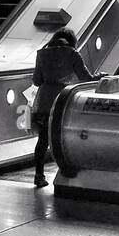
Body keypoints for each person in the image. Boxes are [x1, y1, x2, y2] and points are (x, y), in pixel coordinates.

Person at [31, 28, 94, 188]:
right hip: (62, 102)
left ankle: (39, 175)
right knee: (62, 139)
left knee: (43, 140)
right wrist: (100, 77)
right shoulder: (72, 53)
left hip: (42, 102)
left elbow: (37, 81)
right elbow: (86, 78)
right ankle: (67, 172)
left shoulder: (42, 53)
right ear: (72, 40)